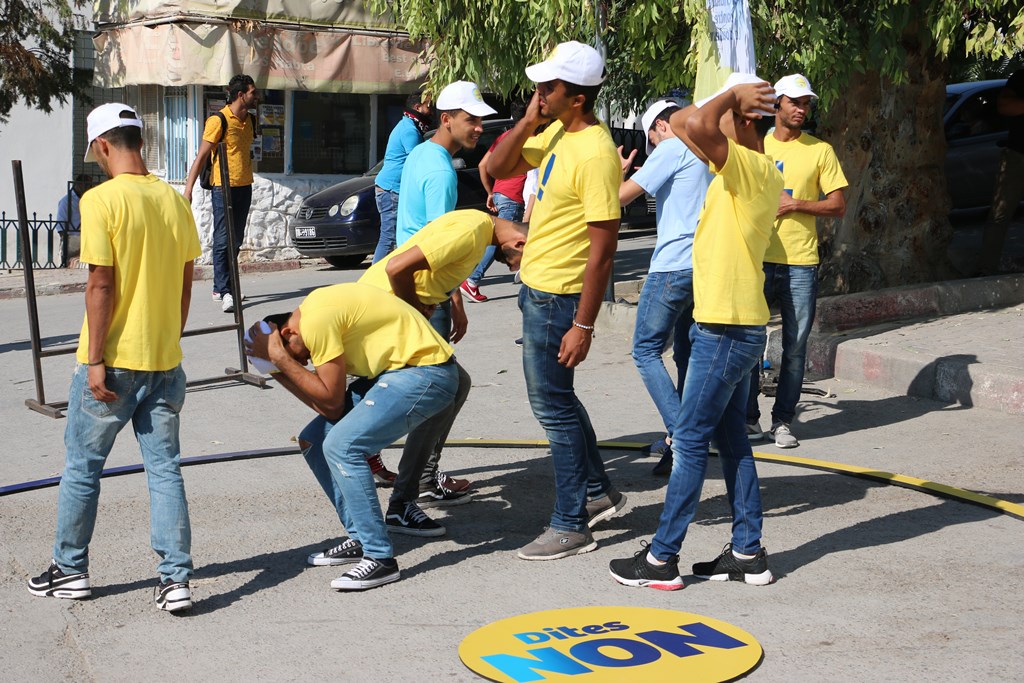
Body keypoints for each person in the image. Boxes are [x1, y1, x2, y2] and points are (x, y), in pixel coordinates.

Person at [608, 73, 783, 590]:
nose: (710, 124)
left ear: (743, 122)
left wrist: (731, 99)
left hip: (725, 330)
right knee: (732, 443)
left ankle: (661, 559)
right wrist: (730, 100)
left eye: (726, 115)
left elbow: (693, 122)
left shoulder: (747, 165)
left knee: (686, 442)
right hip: (737, 325)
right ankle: (748, 551)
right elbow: (689, 123)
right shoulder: (752, 169)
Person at [27, 103, 202, 612]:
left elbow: (101, 283)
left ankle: (70, 570)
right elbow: (185, 282)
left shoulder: (102, 200)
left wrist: (97, 359)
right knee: (165, 468)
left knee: (83, 467)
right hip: (164, 360)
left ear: (103, 145)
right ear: (137, 141)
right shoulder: (174, 202)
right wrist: (169, 338)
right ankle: (176, 581)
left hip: (113, 362)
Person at [488, 41, 627, 560]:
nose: (539, 93)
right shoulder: (554, 134)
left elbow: (603, 251)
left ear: (578, 97)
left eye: (549, 88)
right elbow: (494, 167)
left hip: (559, 298)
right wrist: (527, 120)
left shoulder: (593, 152)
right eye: (539, 87)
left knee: (553, 409)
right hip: (539, 289)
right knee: (561, 402)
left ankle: (572, 523)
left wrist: (584, 325)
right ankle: (597, 493)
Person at [245, 283, 460, 590]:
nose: (302, 363)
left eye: (295, 355)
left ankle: (380, 559)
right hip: (395, 374)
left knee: (342, 446)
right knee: (314, 441)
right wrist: (280, 366)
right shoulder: (312, 315)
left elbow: (330, 401)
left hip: (425, 375)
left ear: (288, 334)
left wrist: (281, 362)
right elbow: (330, 410)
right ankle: (361, 537)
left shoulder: (315, 321)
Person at [360, 209, 529, 514]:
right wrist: (415, 315)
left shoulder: (477, 229)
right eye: (517, 263)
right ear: (520, 243)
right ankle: (403, 498)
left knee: (453, 383)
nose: (510, 267)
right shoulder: (472, 230)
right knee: (442, 385)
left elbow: (436, 262)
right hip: (382, 313)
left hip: (390, 311)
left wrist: (452, 301)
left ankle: (415, 480)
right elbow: (397, 268)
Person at [745, 74, 848, 448]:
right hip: (756, 258)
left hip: (800, 262)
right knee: (750, 342)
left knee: (795, 346)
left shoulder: (819, 150)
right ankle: (748, 419)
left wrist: (796, 204)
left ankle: (783, 421)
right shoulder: (755, 146)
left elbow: (837, 205)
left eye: (806, 104)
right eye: (795, 102)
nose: (802, 109)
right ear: (777, 104)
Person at [618, 99, 713, 477]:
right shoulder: (707, 147)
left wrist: (617, 171)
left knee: (645, 350)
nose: (654, 146)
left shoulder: (673, 146)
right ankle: (686, 435)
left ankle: (683, 437)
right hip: (703, 264)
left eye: (651, 140)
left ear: (660, 126)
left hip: (672, 264)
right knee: (687, 351)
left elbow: (621, 197)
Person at [183, 74, 259, 314]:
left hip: (244, 186)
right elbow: (201, 157)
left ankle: (224, 285)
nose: (256, 96)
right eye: (252, 92)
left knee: (236, 240)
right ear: (241, 95)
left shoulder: (251, 120)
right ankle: (224, 291)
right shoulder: (219, 120)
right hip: (222, 187)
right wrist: (188, 190)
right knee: (223, 238)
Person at [460, 101, 528, 303]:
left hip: (500, 192)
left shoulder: (504, 137)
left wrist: (491, 191)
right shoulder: (529, 139)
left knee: (500, 239)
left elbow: (483, 165)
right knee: (503, 241)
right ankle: (472, 280)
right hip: (514, 195)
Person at [371, 91, 434, 264]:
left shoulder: (409, 125)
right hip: (391, 190)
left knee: (399, 237)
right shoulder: (409, 130)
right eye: (428, 106)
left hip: (393, 189)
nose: (431, 111)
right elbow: (417, 161)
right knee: (389, 238)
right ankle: (371, 282)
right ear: (417, 107)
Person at [978, 70, 1024, 275]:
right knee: (999, 214)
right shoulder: (1021, 78)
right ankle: (986, 269)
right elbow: (1005, 106)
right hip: (1018, 154)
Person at [55, 174, 91, 265]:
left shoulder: (88, 200)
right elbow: (60, 224)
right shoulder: (66, 201)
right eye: (87, 185)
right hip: (72, 239)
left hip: (86, 239)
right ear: (78, 184)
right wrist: (67, 241)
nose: (89, 188)